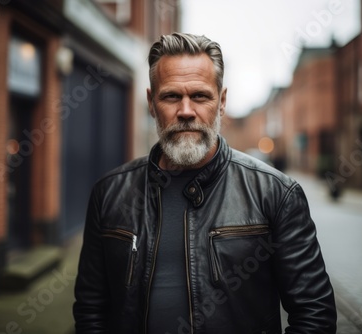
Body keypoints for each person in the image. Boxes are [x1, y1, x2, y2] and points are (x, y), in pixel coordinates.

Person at [73, 32, 336, 334]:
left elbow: (315, 315)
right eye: (171, 96)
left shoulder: (276, 194)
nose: (186, 111)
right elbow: (91, 309)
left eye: (199, 96)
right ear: (150, 102)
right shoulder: (109, 194)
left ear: (221, 101)